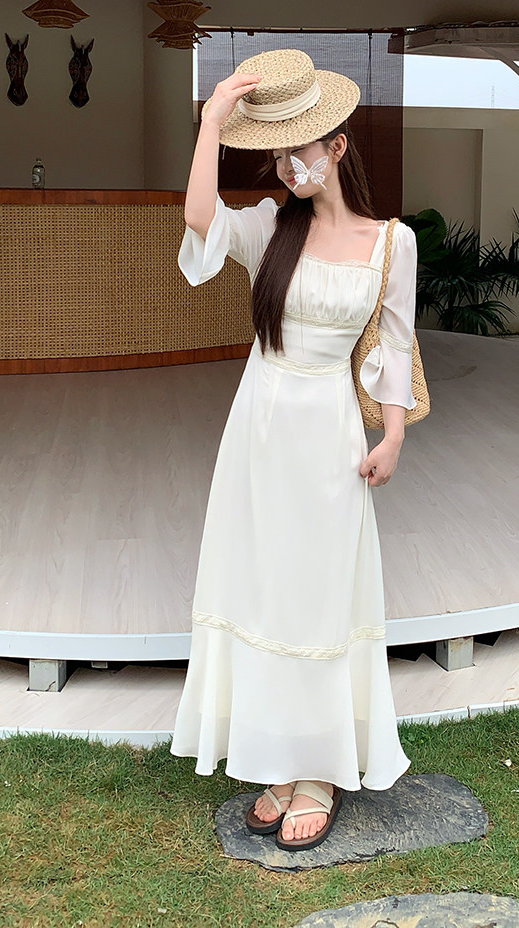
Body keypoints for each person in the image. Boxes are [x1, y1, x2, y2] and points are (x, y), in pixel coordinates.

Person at [168, 48, 419, 851]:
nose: (285, 167)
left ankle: (319, 771)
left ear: (337, 147)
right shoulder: (271, 227)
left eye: (297, 151)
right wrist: (212, 122)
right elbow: (199, 220)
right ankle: (279, 759)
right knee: (265, 587)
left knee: (319, 592)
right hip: (259, 425)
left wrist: (393, 433)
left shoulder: (392, 243)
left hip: (330, 434)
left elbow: (394, 345)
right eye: (275, 155)